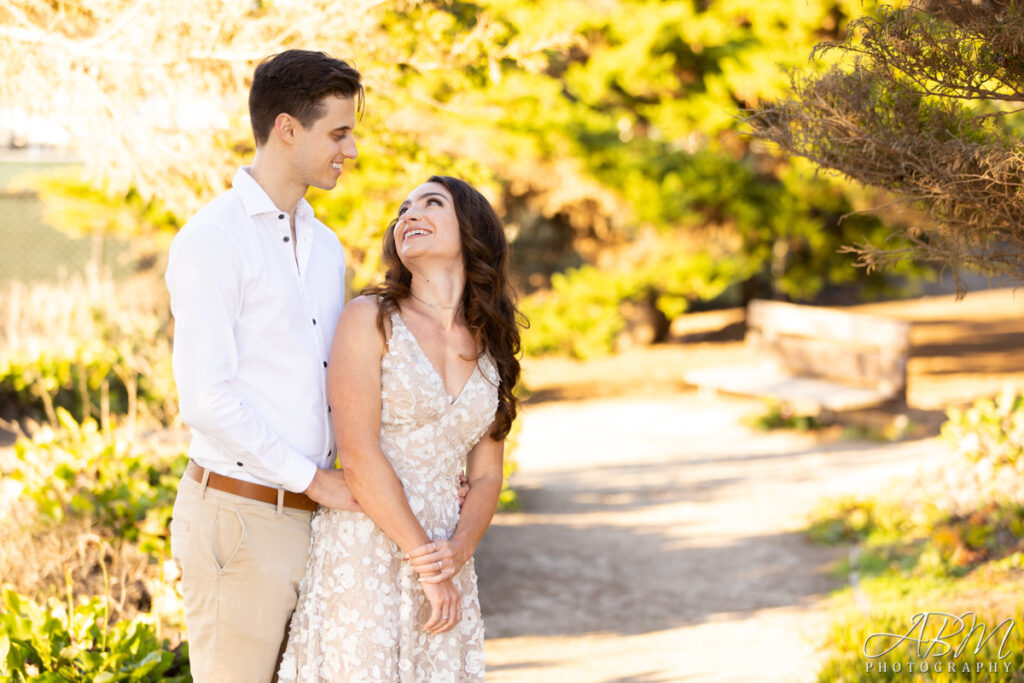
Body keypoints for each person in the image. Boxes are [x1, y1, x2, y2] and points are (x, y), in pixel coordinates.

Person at [165, 49, 367, 682]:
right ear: (287, 128)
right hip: (242, 517)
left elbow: (337, 385)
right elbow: (206, 398)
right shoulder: (213, 238)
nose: (351, 149)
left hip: (318, 522)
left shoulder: (327, 247)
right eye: (338, 132)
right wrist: (313, 479)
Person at [278, 175, 524, 681]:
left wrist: (457, 551)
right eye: (403, 210)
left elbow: (486, 477)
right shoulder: (370, 319)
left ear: (473, 229)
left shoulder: (490, 341)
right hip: (368, 543)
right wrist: (428, 566)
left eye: (430, 203)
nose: (407, 215)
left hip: (446, 551)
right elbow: (360, 456)